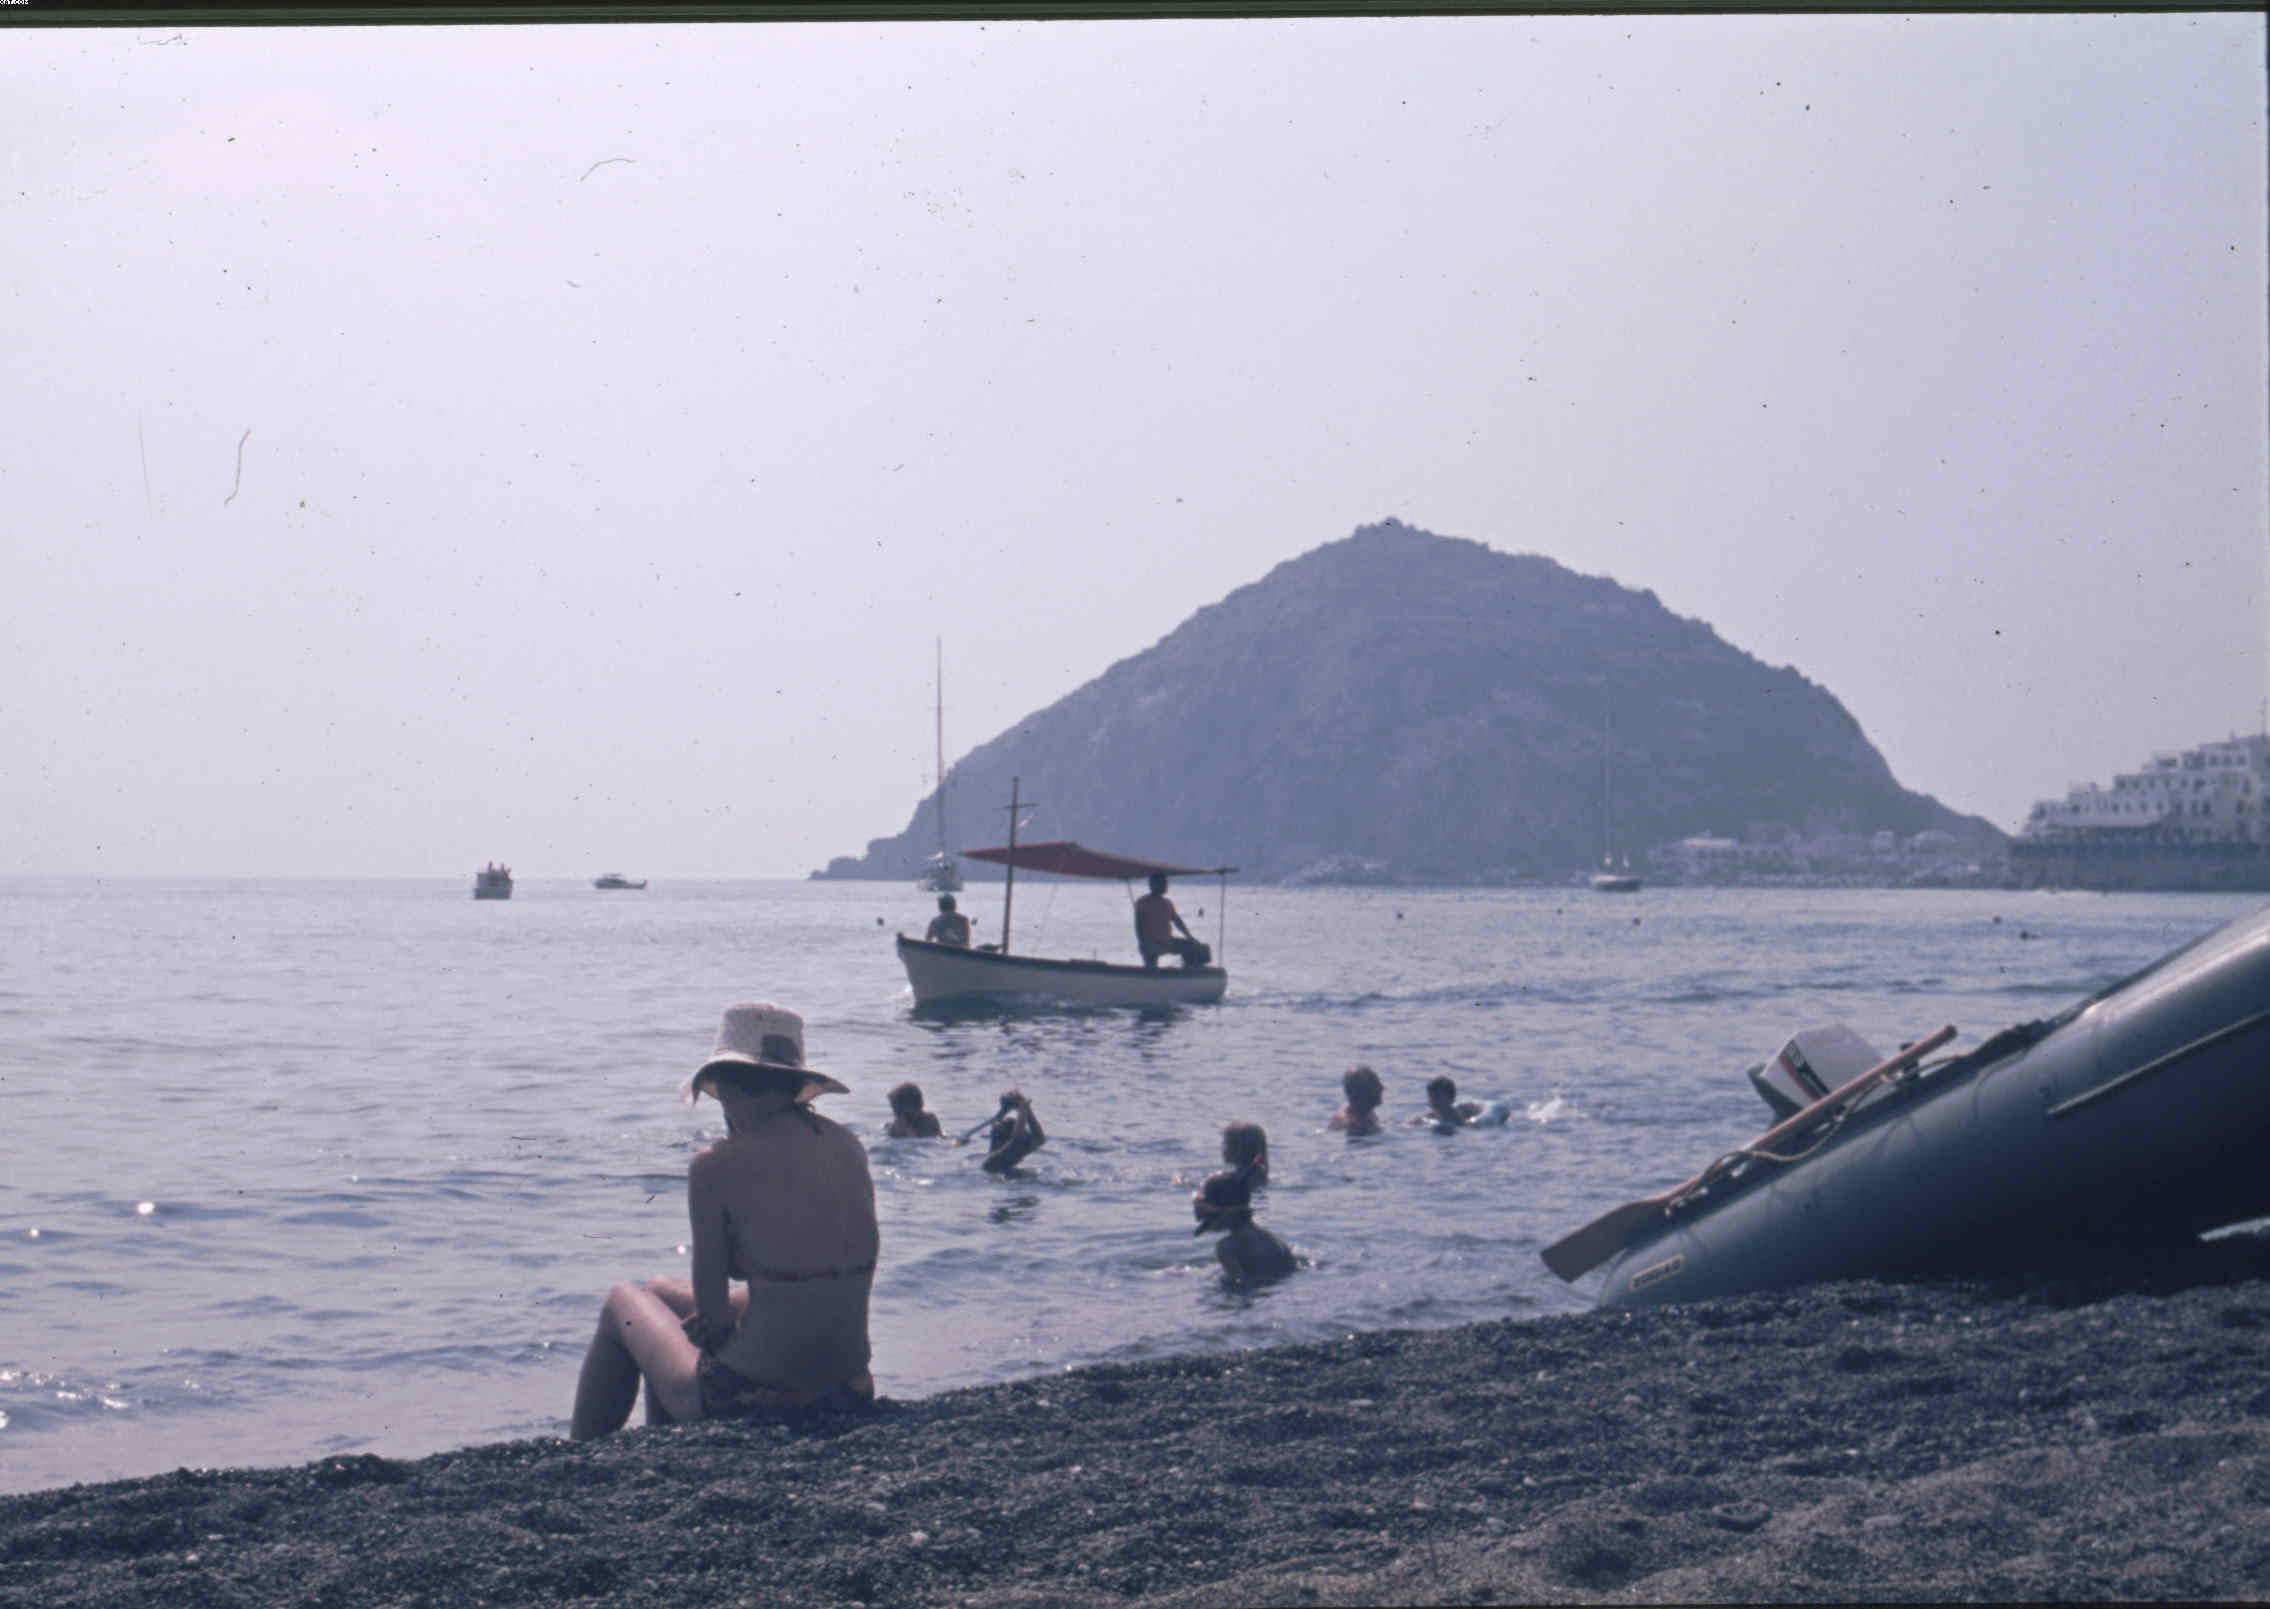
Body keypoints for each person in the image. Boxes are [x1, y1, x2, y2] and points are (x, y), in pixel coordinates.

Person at [570, 1003, 878, 1439]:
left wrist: (715, 1319)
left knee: (622, 1300)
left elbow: (713, 1319)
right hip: (849, 1387)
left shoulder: (716, 1166)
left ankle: (580, 1451)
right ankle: (665, 1442)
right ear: (796, 1086)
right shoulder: (847, 1145)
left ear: (727, 1087)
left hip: (752, 1395)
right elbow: (810, 1277)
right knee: (658, 1290)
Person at [1191, 1167, 1296, 1285]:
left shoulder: (1226, 1248)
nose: (1204, 1217)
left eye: (1207, 1210)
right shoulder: (1276, 1241)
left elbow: (1240, 1284)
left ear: (1227, 1213)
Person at [1133, 872, 1210, 970]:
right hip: (1151, 944)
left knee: (1194, 946)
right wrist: (1143, 943)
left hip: (1167, 942)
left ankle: (1190, 969)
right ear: (1153, 885)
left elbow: (1177, 922)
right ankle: (1151, 972)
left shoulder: (1167, 903)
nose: (1166, 886)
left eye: (1166, 883)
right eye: (1163, 883)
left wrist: (1189, 937)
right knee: (1151, 965)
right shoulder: (1143, 902)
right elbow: (1138, 925)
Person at [968, 1088, 1045, 1173]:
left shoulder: (1014, 1152)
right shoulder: (994, 1160)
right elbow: (1017, 1139)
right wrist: (1023, 1108)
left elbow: (1039, 1138)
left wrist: (1027, 1110)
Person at [1409, 1074, 1485, 1129]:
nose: (1433, 1100)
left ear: (1450, 1099)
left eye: (1437, 1096)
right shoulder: (1431, 1115)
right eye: (1430, 1097)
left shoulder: (1457, 1119)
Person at [1328, 1064, 1384, 1136]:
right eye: (1375, 1085)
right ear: (1363, 1092)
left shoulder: (1363, 1112)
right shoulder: (1352, 1124)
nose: (1382, 1088)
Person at [1221, 1120, 1269, 1186]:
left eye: (1226, 1144)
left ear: (1238, 1149)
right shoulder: (1261, 1177)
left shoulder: (1225, 1182)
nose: (1223, 1149)